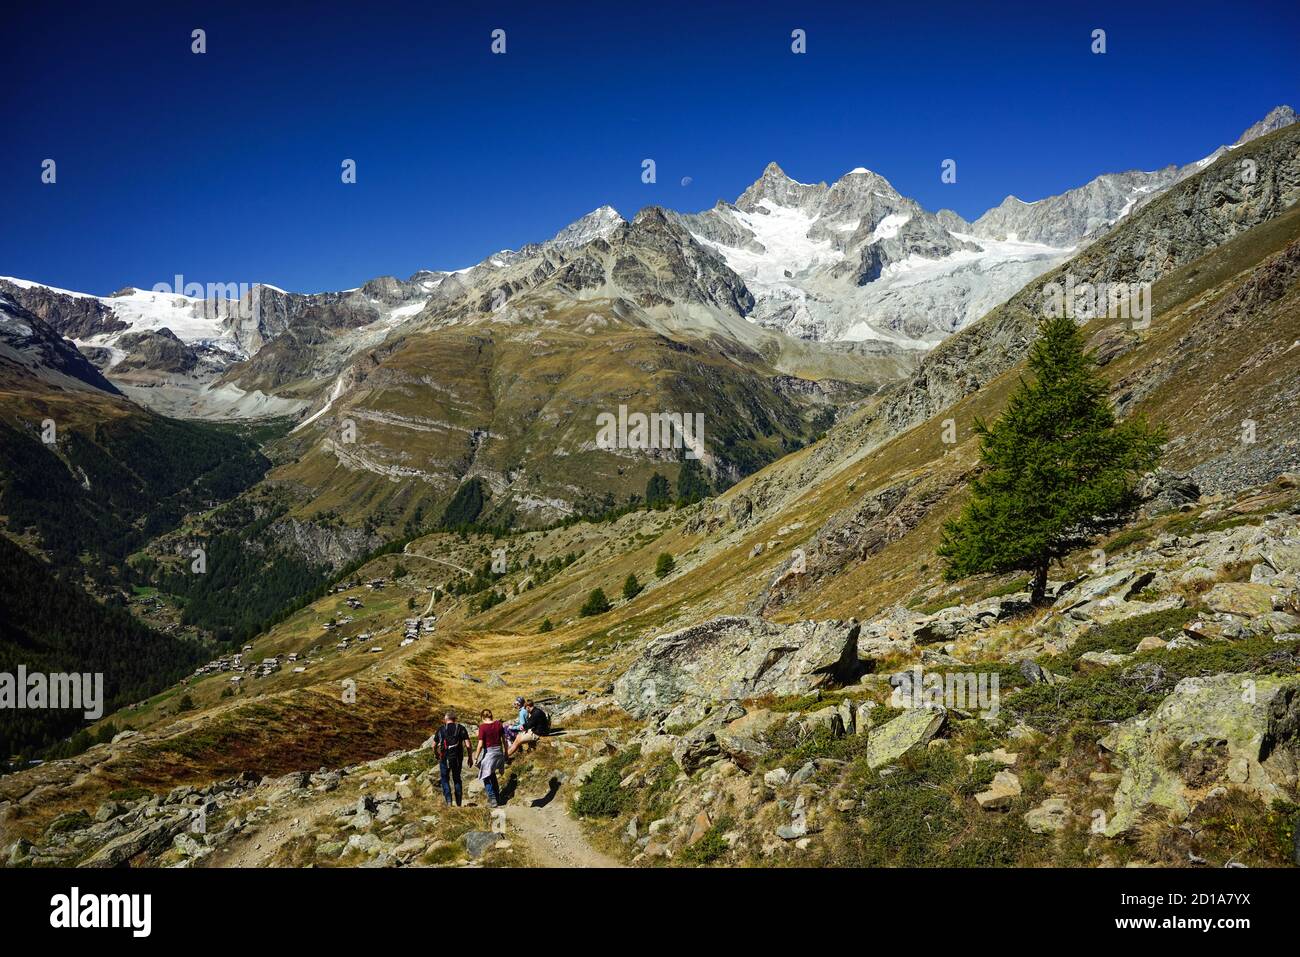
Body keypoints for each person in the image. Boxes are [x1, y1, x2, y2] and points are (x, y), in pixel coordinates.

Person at [433, 710, 470, 806]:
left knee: (445, 779)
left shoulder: (441, 729)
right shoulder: (461, 728)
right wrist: (470, 757)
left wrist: (436, 754)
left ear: (446, 719)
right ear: (455, 719)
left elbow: (433, 745)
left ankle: (449, 801)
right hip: (457, 758)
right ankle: (458, 803)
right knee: (457, 779)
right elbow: (468, 745)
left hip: (444, 758)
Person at [475, 708, 507, 808]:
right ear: (491, 715)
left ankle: (493, 799)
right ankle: (498, 797)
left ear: (482, 717)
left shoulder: (482, 727)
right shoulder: (498, 724)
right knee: (492, 774)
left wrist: (476, 757)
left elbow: (480, 745)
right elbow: (504, 740)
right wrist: (506, 752)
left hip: (490, 753)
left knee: (485, 775)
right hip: (499, 752)